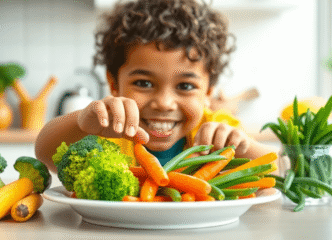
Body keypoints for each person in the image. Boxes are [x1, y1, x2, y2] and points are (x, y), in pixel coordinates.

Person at [35, 0, 277, 173]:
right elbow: (45, 154)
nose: (164, 103)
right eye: (143, 83)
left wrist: (242, 147)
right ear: (113, 83)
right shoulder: (106, 129)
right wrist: (80, 123)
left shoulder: (216, 129)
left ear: (209, 91)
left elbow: (276, 171)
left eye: (185, 86)